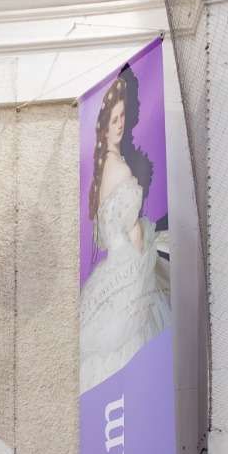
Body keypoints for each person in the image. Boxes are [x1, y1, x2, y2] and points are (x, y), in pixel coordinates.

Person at [77, 64, 171, 392]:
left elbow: (105, 233)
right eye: (114, 119)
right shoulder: (118, 167)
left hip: (113, 266)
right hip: (128, 260)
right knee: (138, 332)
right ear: (103, 126)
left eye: (121, 118)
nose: (119, 125)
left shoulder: (101, 172)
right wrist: (144, 249)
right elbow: (131, 229)